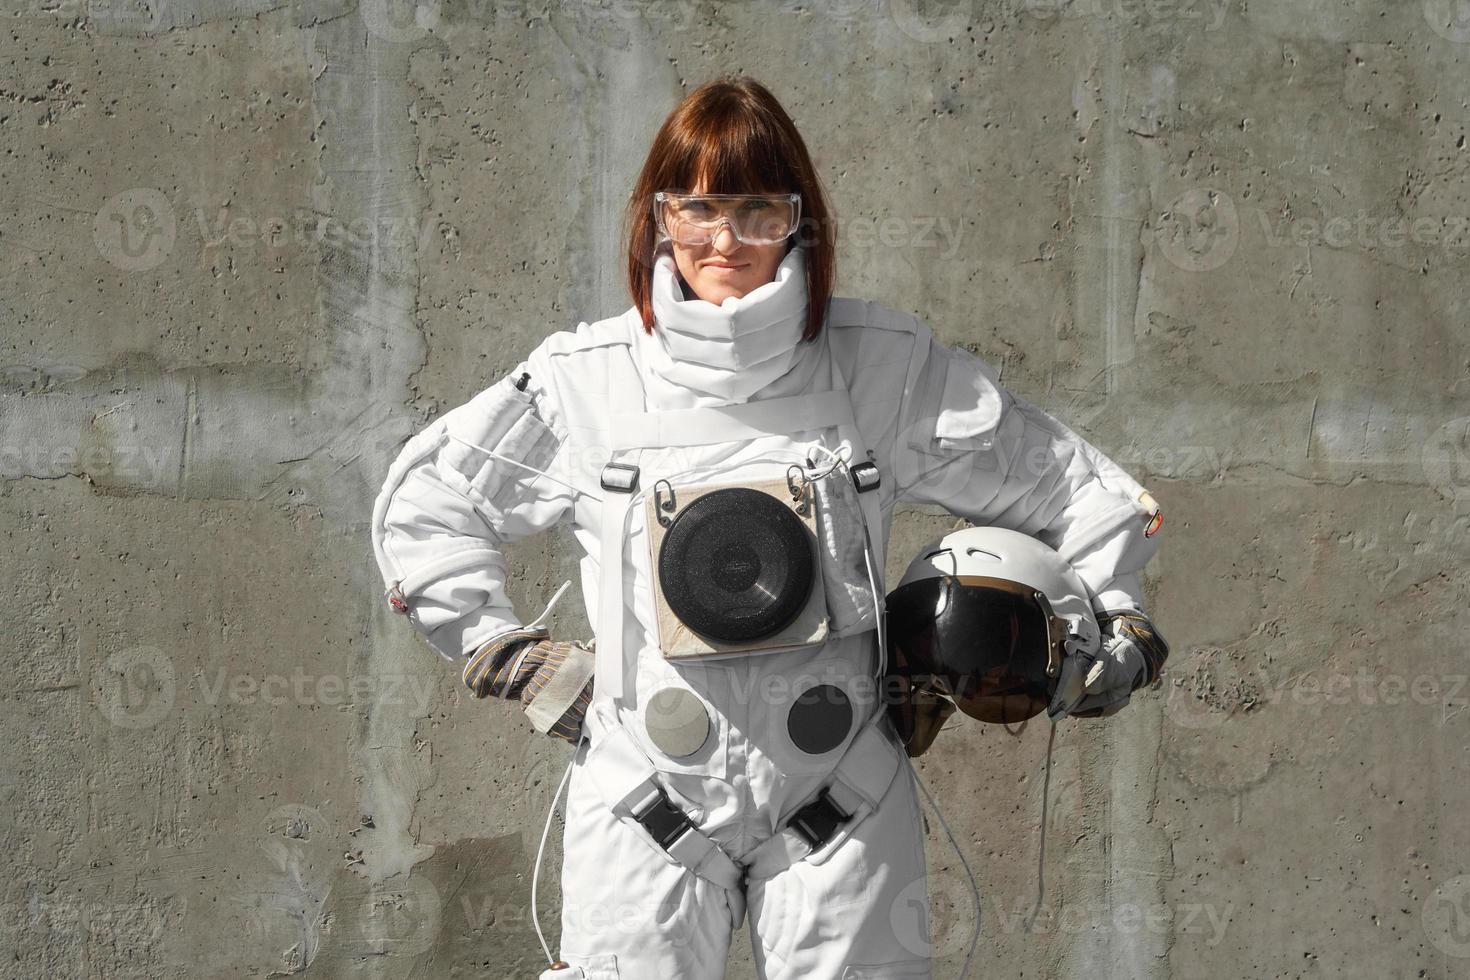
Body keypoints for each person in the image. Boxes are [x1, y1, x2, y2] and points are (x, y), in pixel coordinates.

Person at [370, 75, 1166, 980]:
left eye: (756, 209)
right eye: (698, 207)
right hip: (646, 798)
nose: (725, 239)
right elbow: (428, 506)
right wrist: (507, 653)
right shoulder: (583, 381)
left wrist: (1115, 613)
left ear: (798, 220)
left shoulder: (882, 368)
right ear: (658, 218)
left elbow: (1076, 489)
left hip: (842, 796)